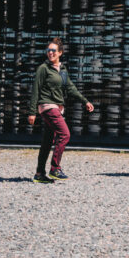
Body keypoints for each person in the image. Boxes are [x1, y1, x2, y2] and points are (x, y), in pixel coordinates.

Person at [26, 38, 94, 183]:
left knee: (47, 141)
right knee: (65, 134)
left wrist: (85, 101)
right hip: (47, 106)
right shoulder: (43, 68)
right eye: (48, 50)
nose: (50, 53)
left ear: (60, 53)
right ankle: (55, 168)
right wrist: (32, 112)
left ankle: (39, 173)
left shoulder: (62, 70)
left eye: (53, 51)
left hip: (57, 107)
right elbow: (35, 90)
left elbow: (71, 88)